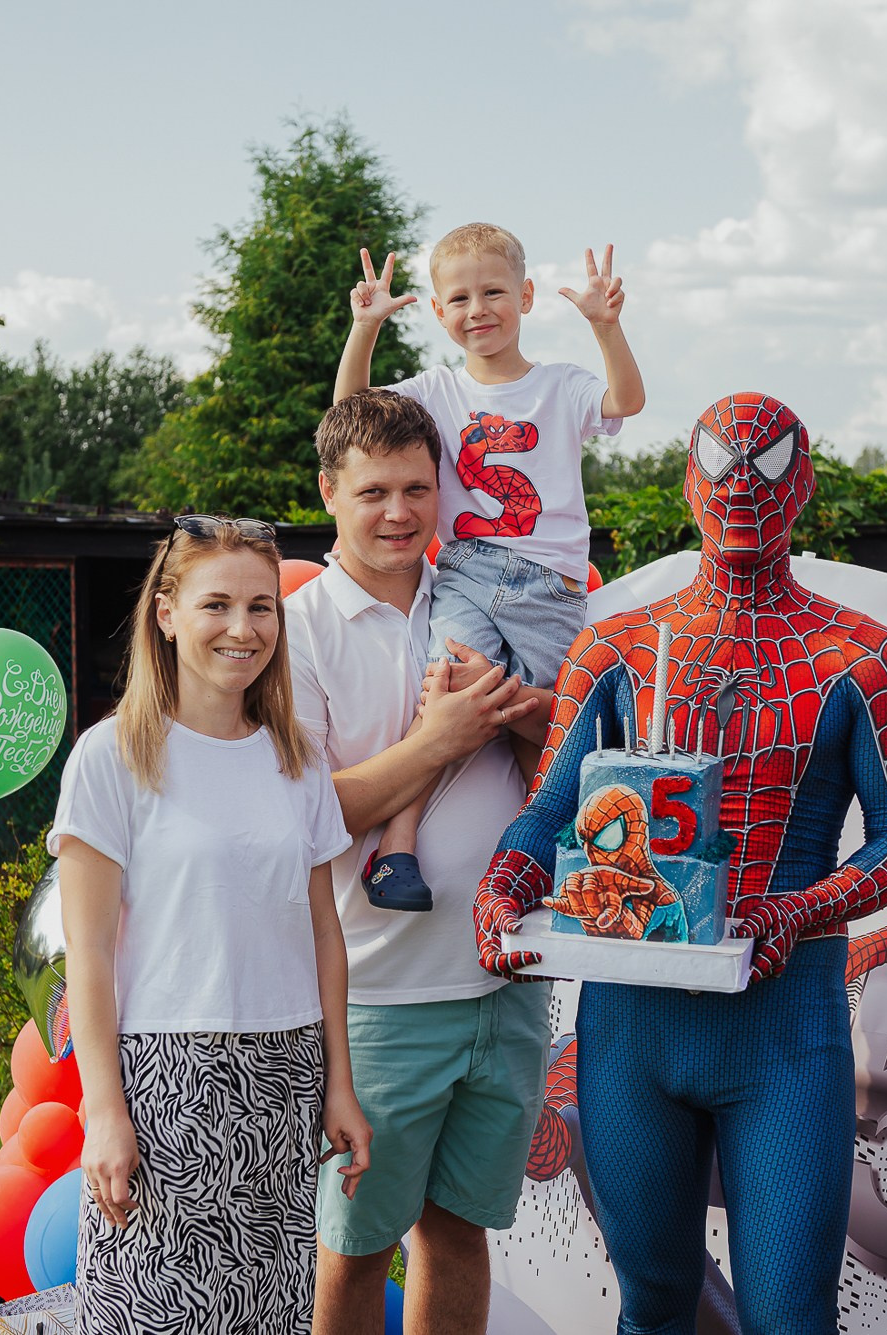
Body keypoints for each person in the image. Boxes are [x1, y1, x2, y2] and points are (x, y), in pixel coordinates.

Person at [473, 393, 887, 1334]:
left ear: (802, 482)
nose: (740, 487)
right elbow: (552, 807)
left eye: (766, 468)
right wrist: (502, 887)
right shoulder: (617, 644)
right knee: (652, 1303)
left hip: (782, 1030)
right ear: (689, 479)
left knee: (789, 1316)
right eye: (720, 463)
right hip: (631, 1029)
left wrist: (796, 911)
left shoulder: (867, 659)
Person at [51, 515, 372, 1335]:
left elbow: (324, 932)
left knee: (266, 1316)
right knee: (150, 1314)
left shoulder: (297, 758)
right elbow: (86, 956)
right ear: (166, 613)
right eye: (217, 604)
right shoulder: (111, 756)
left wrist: (338, 1080)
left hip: (282, 1078)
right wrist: (105, 1111)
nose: (243, 628)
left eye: (262, 606)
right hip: (164, 1085)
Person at [285, 389, 551, 1335]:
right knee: (355, 1247)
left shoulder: (483, 598)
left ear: (442, 488)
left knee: (458, 1233)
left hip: (505, 979)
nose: (398, 512)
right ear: (328, 492)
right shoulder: (299, 631)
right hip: (378, 1002)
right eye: (372, 493)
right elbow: (306, 816)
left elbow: (562, 760)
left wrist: (530, 715)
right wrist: (442, 738)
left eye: (416, 487)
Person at [332, 222, 646, 912]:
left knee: (556, 725)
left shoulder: (561, 386)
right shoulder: (436, 391)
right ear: (440, 314)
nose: (479, 309)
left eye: (494, 292)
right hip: (470, 570)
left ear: (527, 296)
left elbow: (626, 400)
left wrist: (606, 326)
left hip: (552, 588)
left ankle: (565, 862)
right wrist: (366, 329)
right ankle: (398, 848)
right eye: (461, 298)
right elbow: (351, 413)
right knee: (442, 692)